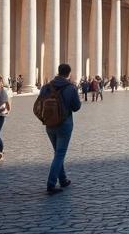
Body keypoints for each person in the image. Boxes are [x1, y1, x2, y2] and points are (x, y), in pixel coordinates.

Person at [42, 64, 83, 193]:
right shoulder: (70, 88)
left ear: (58, 72)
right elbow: (76, 107)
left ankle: (63, 179)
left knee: (58, 154)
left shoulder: (46, 86)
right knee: (59, 154)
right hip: (65, 124)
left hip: (49, 124)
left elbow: (40, 104)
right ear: (69, 73)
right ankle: (51, 183)